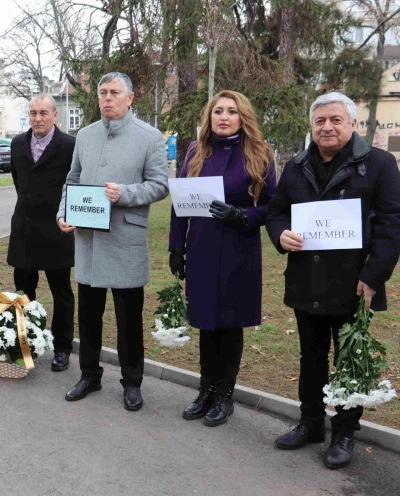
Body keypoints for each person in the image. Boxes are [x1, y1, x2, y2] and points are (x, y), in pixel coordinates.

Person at [266, 92, 400, 469]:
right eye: (320, 120)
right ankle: (310, 424)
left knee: (348, 360)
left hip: (354, 284)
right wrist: (280, 235)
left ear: (352, 124)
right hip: (306, 279)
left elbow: (392, 224)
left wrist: (374, 277)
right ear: (312, 126)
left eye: (335, 120)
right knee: (310, 357)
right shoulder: (295, 166)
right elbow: (276, 213)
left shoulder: (379, 164)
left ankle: (344, 432)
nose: (327, 126)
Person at [57, 72, 169, 410]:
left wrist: (125, 193)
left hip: (125, 240)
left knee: (128, 321)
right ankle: (89, 375)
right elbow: (72, 179)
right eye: (103, 92)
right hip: (89, 241)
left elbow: (161, 185)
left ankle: (132, 382)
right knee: (89, 317)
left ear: (130, 97)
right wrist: (64, 211)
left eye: (115, 92)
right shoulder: (86, 135)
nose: (107, 98)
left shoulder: (149, 137)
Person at [168, 90, 278, 426]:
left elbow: (274, 206)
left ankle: (225, 394)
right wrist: (176, 247)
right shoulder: (196, 151)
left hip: (238, 249)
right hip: (201, 247)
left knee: (229, 325)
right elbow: (179, 202)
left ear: (242, 116)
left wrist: (244, 215)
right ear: (209, 116)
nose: (224, 117)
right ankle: (206, 389)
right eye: (218, 111)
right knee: (206, 323)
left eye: (231, 111)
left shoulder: (260, 154)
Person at [7, 94, 76, 371]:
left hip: (56, 230)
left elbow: (75, 182)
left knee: (62, 293)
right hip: (23, 230)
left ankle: (62, 347)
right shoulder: (17, 143)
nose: (38, 118)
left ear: (55, 115)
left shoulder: (69, 145)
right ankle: (28, 343)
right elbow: (17, 180)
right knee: (24, 293)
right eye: (33, 113)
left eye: (44, 113)